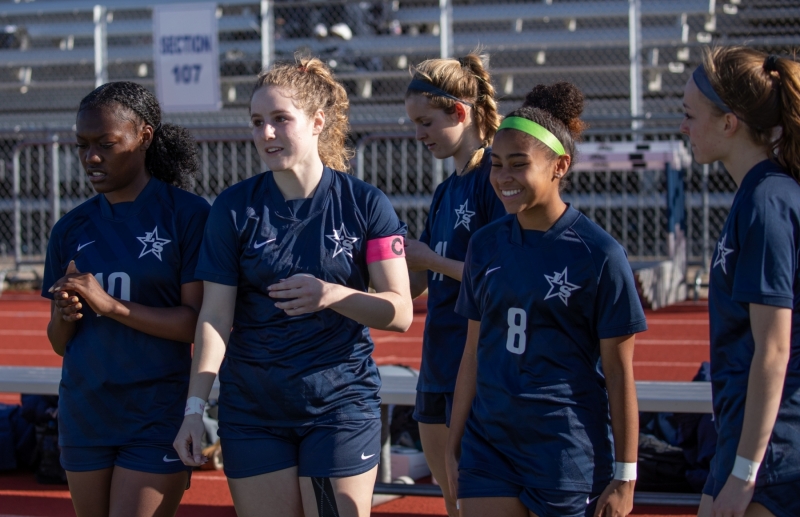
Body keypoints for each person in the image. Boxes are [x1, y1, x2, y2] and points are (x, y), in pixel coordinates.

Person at [172, 57, 413, 517]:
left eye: (281, 119)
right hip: (253, 411)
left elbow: (400, 312)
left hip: (338, 406)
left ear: (318, 121)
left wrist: (332, 295)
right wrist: (193, 408)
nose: (266, 134)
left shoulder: (367, 204)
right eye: (258, 122)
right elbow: (215, 317)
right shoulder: (233, 208)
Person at [445, 82, 647, 517]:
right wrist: (453, 440)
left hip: (564, 447)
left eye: (519, 165)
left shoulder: (599, 254)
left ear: (560, 166)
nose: (503, 177)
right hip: (490, 444)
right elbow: (473, 351)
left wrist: (626, 475)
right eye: (496, 165)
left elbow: (618, 371)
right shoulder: (484, 245)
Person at [42, 81, 209, 517]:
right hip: (85, 413)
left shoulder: (188, 215)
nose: (91, 157)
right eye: (82, 145)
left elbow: (197, 323)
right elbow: (60, 343)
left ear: (144, 137)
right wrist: (66, 314)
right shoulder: (70, 228)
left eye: (106, 144)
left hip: (155, 414)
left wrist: (111, 305)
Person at [681, 47, 800, 517]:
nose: (683, 127)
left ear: (729, 123)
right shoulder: (759, 194)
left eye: (690, 115)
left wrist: (745, 473)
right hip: (750, 439)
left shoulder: (767, 202)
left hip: (771, 451)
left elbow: (773, 350)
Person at [402, 52, 504, 515]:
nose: (418, 134)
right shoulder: (446, 190)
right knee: (453, 502)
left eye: (425, 122)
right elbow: (422, 281)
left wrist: (432, 260)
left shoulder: (496, 180)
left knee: (475, 498)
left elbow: (507, 281)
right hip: (438, 358)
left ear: (459, 112)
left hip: (478, 364)